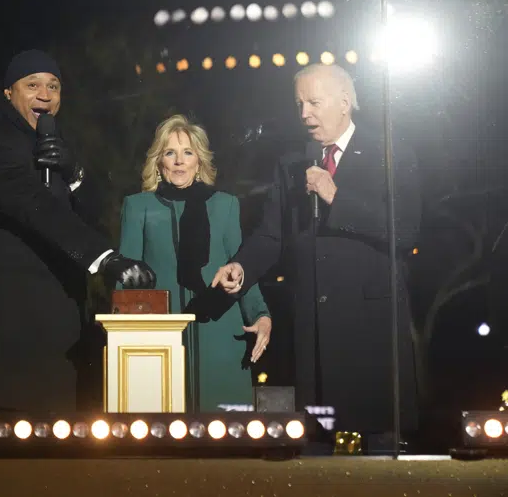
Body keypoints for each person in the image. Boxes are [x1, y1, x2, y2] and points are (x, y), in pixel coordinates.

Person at [211, 63, 421, 452]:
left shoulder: (389, 153)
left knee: (380, 447)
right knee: (313, 443)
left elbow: (406, 230)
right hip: (313, 328)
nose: (304, 113)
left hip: (370, 325)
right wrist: (241, 265)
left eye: (313, 103)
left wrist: (335, 196)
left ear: (344, 102)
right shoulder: (292, 161)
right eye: (299, 104)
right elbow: (272, 234)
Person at [0, 49, 157, 413]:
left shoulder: (56, 142)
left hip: (57, 320)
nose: (45, 95)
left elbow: (93, 214)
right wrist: (104, 258)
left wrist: (74, 173)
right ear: (8, 93)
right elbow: (32, 205)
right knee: (7, 427)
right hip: (8, 320)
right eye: (32, 85)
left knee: (61, 429)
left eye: (53, 86)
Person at [118, 115, 271, 412]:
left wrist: (261, 314)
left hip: (219, 335)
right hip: (158, 341)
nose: (179, 161)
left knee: (223, 428)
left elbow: (241, 267)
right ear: (159, 162)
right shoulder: (138, 207)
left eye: (187, 152)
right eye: (170, 152)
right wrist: (125, 337)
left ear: (199, 161)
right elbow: (125, 281)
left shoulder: (225, 205)